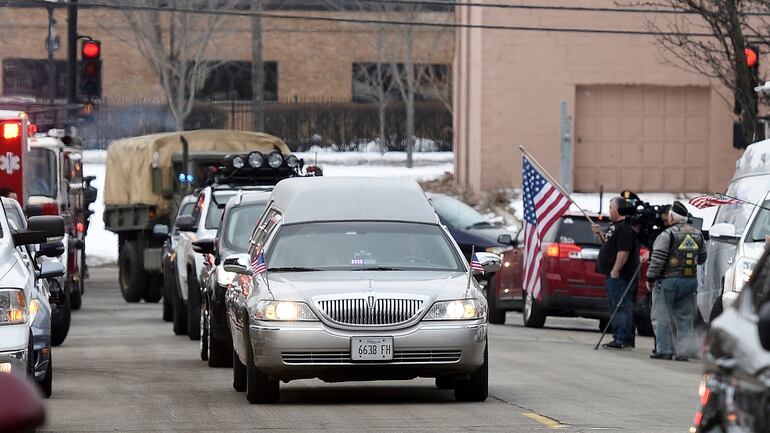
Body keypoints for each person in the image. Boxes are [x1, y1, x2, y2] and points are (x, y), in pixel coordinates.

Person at [646, 201, 706, 361]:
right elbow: (702, 258)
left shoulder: (667, 235)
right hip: (689, 281)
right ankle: (683, 352)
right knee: (685, 318)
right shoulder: (697, 234)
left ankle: (663, 350)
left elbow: (657, 259)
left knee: (661, 316)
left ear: (672, 216)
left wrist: (650, 277)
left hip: (668, 281)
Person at [592, 197, 641, 350]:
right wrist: (600, 233)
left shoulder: (625, 228)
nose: (609, 210)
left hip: (621, 277)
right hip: (612, 275)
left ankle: (623, 339)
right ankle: (618, 337)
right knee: (615, 306)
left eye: (611, 207)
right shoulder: (614, 226)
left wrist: (616, 270)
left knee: (621, 306)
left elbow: (623, 252)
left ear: (619, 210)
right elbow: (608, 244)